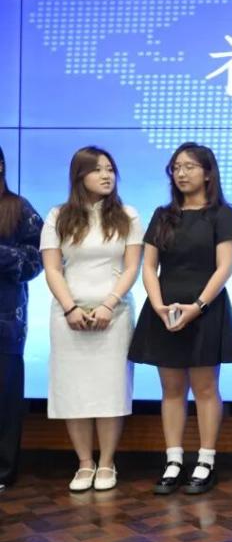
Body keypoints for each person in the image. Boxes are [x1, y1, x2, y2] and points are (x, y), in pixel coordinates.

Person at [128, 142, 232, 495]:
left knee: (206, 389)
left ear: (207, 173)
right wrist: (158, 305)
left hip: (206, 309)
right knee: (171, 389)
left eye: (190, 166)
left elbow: (224, 268)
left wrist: (198, 306)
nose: (181, 173)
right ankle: (174, 460)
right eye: (176, 167)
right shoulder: (163, 215)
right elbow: (149, 266)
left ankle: (206, 460)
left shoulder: (222, 214)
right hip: (165, 309)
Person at [41, 147, 143, 492]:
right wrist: (70, 307)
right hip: (68, 314)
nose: (106, 175)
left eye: (110, 169)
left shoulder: (127, 215)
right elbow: (53, 269)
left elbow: (132, 267)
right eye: (97, 169)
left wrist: (109, 304)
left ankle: (108, 462)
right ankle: (85, 463)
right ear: (79, 175)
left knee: (111, 389)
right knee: (74, 390)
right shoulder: (58, 216)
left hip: (114, 314)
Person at [0, 145, 43, 494]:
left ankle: (3, 470)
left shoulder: (18, 208)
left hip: (5, 321)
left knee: (5, 398)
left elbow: (36, 260)